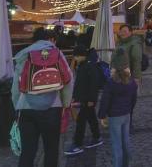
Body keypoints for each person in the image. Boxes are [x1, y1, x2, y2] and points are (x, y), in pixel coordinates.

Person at [12, 28, 73, 167]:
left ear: (34, 40)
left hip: (26, 108)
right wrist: (65, 104)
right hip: (52, 108)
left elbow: (15, 86)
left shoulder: (24, 54)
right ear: (50, 39)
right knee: (51, 149)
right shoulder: (57, 53)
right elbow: (68, 81)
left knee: (27, 151)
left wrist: (17, 106)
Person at [98, 57, 138, 167]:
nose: (110, 70)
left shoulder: (111, 83)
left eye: (111, 68)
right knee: (125, 142)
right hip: (126, 115)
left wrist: (102, 115)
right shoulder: (131, 81)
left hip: (115, 116)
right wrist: (130, 110)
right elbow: (134, 99)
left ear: (115, 69)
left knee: (117, 145)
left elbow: (105, 100)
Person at [64, 47, 103, 157]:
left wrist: (91, 99)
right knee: (91, 117)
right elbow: (80, 84)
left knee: (81, 120)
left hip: (88, 99)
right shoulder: (83, 65)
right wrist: (75, 97)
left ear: (82, 55)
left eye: (76, 56)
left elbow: (93, 84)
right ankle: (97, 137)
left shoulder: (89, 66)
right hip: (85, 98)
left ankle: (77, 144)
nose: (75, 58)